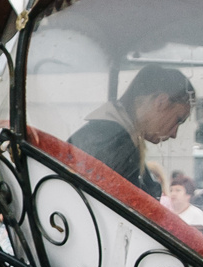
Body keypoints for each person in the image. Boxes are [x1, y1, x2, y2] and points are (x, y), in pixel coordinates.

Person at [68, 63, 195, 198]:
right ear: (161, 102)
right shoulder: (116, 142)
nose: (174, 134)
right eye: (178, 120)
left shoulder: (111, 133)